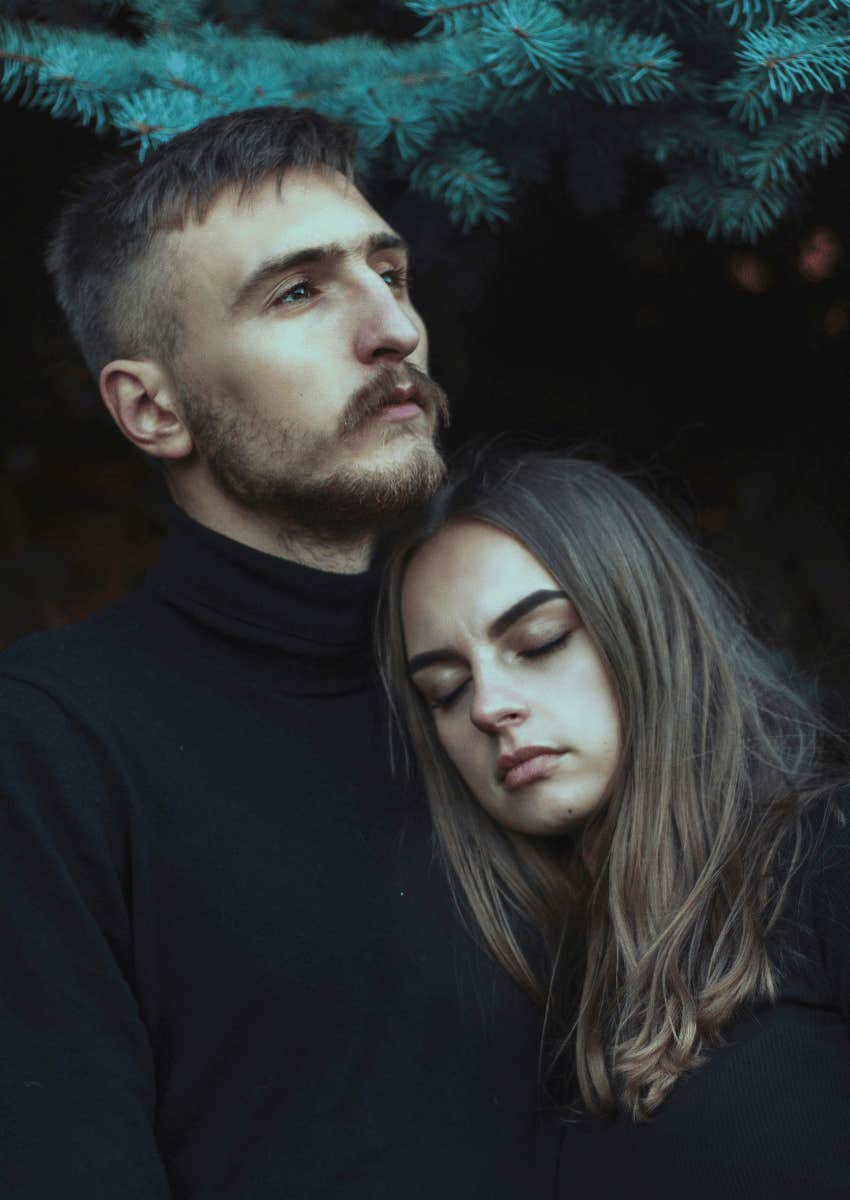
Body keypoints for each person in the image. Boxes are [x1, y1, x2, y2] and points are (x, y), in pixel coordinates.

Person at [0, 109, 553, 1198]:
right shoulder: (50, 754)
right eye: (298, 293)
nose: (391, 328)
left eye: (389, 272)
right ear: (153, 409)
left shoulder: (534, 685)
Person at [378, 448, 850, 1197]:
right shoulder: (515, 984)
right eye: (445, 689)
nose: (487, 705)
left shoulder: (825, 863)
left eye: (539, 643)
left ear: (644, 625)